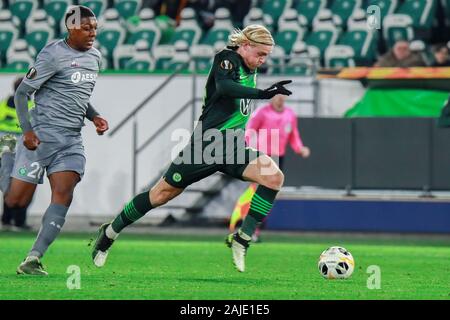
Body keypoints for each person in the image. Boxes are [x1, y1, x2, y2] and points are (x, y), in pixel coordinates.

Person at [92, 25, 292, 273]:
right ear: (246, 45)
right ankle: (109, 233)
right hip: (206, 145)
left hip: (233, 146)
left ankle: (242, 238)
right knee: (161, 195)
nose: (262, 60)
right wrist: (263, 94)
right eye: (260, 54)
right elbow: (225, 88)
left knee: (273, 177)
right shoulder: (226, 59)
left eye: (266, 56)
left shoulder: (250, 67)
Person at [0, 5, 109, 275]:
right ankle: (7, 158)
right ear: (71, 28)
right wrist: (27, 131)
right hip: (40, 137)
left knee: (63, 194)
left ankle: (33, 258)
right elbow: (23, 94)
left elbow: (76, 98)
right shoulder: (52, 54)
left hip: (70, 140)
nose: (92, 32)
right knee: (15, 201)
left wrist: (93, 116)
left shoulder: (94, 57)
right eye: (86, 28)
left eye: (95, 27)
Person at [229, 94, 310, 242]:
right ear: (272, 97)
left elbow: (293, 135)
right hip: (263, 156)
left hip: (278, 158)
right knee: (257, 191)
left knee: (268, 196)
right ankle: (248, 228)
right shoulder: (262, 112)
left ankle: (251, 228)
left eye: (282, 96)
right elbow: (249, 129)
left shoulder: (290, 114)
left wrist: (300, 148)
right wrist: (241, 145)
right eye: (277, 95)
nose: (280, 98)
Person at [0, 78, 35, 231]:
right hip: (23, 148)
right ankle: (19, 221)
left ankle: (7, 220)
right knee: (24, 180)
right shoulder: (32, 106)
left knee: (7, 181)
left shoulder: (3, 104)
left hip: (5, 145)